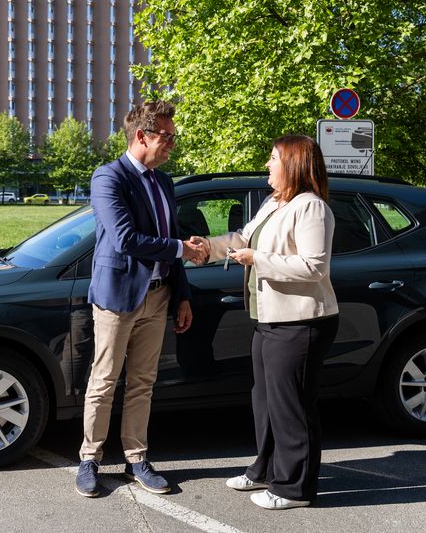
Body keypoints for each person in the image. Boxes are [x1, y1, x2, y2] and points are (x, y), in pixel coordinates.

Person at [196, 134, 339, 510]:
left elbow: (313, 267)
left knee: (293, 406)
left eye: (273, 158)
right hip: (268, 318)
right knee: (266, 401)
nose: (267, 164)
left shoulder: (311, 208)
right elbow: (242, 237)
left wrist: (256, 258)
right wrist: (206, 248)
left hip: (302, 321)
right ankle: (266, 468)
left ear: (293, 163)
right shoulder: (275, 202)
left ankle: (294, 489)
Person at [75, 100, 207, 497]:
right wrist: (183, 249)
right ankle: (90, 460)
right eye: (166, 136)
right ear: (141, 136)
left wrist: (181, 295)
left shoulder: (164, 182)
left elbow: (170, 241)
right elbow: (126, 240)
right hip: (117, 297)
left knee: (143, 383)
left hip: (159, 295)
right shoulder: (108, 178)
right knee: (104, 380)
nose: (171, 144)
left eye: (172, 137)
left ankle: (136, 458)